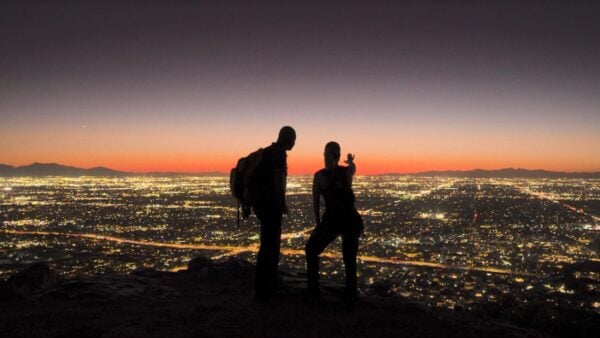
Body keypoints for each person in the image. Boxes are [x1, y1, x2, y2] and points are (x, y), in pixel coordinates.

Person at [305, 141, 363, 301]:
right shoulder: (346, 173)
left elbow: (316, 203)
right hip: (351, 220)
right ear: (338, 156)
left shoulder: (320, 176)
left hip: (332, 220)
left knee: (311, 250)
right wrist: (350, 161)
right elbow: (353, 168)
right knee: (350, 260)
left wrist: (318, 224)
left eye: (325, 154)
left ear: (326, 155)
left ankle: (313, 291)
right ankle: (351, 298)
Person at [253, 126, 296, 300]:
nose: (294, 143)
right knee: (270, 244)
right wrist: (282, 203)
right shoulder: (278, 155)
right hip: (271, 205)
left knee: (267, 243)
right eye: (293, 139)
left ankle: (265, 281)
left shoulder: (268, 152)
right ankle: (265, 285)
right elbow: (278, 181)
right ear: (286, 138)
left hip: (262, 204)